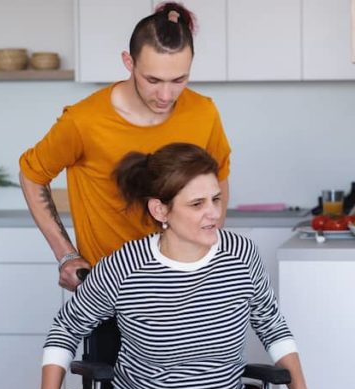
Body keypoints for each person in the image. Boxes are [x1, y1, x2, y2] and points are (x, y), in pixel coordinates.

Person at [34, 143, 315, 389]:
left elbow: (271, 323)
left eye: (215, 199)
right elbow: (66, 327)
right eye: (197, 203)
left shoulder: (241, 255)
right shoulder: (126, 266)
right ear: (160, 211)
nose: (213, 213)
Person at [19, 2, 231, 291]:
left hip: (187, 284)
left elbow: (218, 178)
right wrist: (66, 255)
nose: (166, 95)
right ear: (129, 63)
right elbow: (32, 175)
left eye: (179, 79)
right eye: (153, 80)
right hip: (110, 288)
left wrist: (209, 244)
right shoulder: (84, 121)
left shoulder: (204, 112)